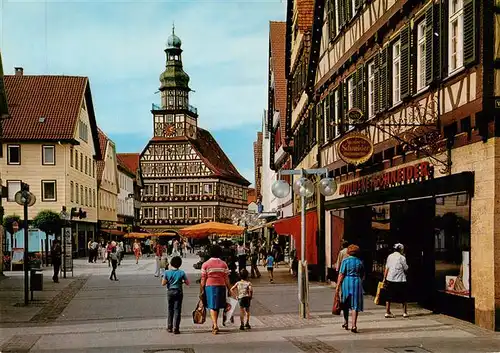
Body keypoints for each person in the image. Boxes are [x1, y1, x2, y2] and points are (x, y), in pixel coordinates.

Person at [200, 245, 231, 335]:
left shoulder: (205, 264)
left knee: (212, 306)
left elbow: (203, 279)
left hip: (210, 287)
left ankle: (215, 325)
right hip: (221, 286)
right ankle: (215, 324)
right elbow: (226, 278)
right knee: (216, 306)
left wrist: (201, 289)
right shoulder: (223, 264)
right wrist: (229, 289)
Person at [335, 244, 364, 333]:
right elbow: (363, 274)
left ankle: (346, 322)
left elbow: (341, 274)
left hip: (346, 282)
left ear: (348, 252)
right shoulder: (360, 262)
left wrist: (337, 286)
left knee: (345, 303)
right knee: (355, 305)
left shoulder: (345, 261)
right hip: (357, 283)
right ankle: (354, 325)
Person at [162, 256, 190, 334]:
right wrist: (182, 281)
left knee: (170, 309)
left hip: (170, 292)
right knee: (177, 310)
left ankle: (169, 327)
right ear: (180, 264)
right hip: (178, 292)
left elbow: (163, 283)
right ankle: (176, 328)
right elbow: (188, 283)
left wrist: (168, 281)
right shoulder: (181, 272)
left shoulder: (167, 272)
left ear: (171, 263)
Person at [384, 243, 409, 318]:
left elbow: (387, 268)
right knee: (404, 296)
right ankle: (405, 312)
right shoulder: (402, 257)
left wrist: (384, 278)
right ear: (401, 249)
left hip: (390, 278)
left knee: (388, 296)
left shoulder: (390, 256)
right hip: (400, 279)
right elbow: (406, 268)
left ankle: (387, 312)